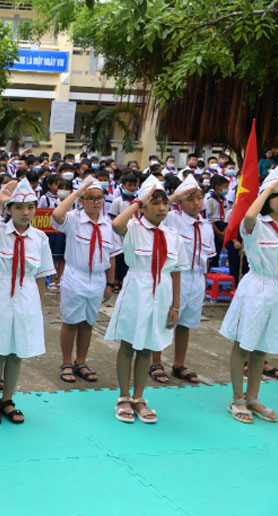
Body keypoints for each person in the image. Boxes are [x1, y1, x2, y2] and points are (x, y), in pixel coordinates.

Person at [0, 178, 54, 425]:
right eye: (18, 207)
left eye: (30, 207)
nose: (25, 212)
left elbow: (41, 275)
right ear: (8, 209)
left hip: (26, 295)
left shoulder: (40, 238)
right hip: (1, 292)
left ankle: (8, 400)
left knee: (17, 353)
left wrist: (37, 307)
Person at [105, 175, 188, 424]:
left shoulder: (173, 235)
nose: (162, 208)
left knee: (148, 346)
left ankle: (139, 397)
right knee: (129, 344)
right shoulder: (133, 228)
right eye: (155, 203)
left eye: (165, 203)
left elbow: (176, 272)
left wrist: (175, 305)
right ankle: (123, 396)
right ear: (142, 205)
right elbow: (116, 225)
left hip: (161, 292)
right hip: (137, 289)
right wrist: (138, 201)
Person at [220, 169, 278, 423]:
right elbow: (249, 215)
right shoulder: (257, 225)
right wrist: (269, 187)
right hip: (256, 288)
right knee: (244, 344)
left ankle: (253, 397)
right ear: (267, 197)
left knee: (262, 348)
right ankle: (237, 399)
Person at [52, 177, 120, 383]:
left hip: (98, 278)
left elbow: (112, 256)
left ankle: (80, 361)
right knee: (70, 322)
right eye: (90, 198)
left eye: (99, 198)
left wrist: (110, 283)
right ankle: (66, 362)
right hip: (75, 275)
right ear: (81, 200)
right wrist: (78, 191)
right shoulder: (73, 219)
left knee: (87, 323)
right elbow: (56, 214)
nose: (96, 202)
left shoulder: (108, 225)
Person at [150, 175, 215, 384]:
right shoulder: (173, 218)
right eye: (191, 199)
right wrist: (177, 194)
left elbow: (207, 258)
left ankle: (178, 364)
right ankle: (156, 362)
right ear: (180, 202)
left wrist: (203, 281)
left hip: (197, 278)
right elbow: (159, 208)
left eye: (199, 198)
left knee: (185, 323)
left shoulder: (206, 225)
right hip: (175, 276)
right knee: (164, 320)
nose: (196, 203)